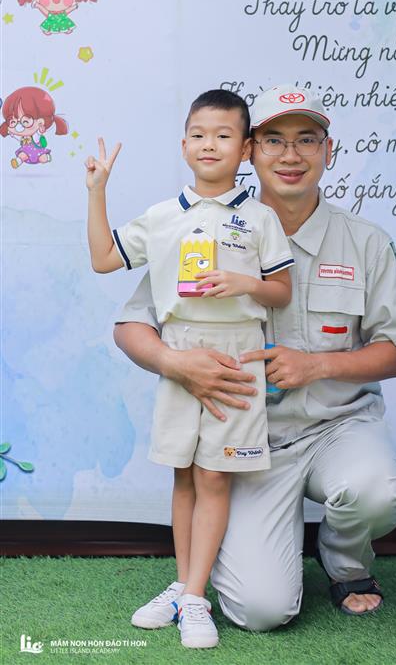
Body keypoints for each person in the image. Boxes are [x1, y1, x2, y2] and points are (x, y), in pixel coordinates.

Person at [114, 84, 396, 632]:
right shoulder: (204, 226)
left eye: (307, 140)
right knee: (261, 610)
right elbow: (132, 326)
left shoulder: (366, 242)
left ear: (329, 151)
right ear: (250, 150)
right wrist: (175, 364)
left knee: (377, 492)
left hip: (337, 427)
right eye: (275, 140)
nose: (291, 155)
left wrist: (317, 365)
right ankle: (226, 567)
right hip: (249, 442)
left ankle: (345, 562)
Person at [85, 89, 293, 648]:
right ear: (183, 145)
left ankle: (196, 596)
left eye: (224, 136)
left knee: (214, 476)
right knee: (183, 473)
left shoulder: (260, 218)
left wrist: (245, 282)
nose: (209, 145)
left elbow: (281, 290)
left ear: (245, 149)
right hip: (178, 355)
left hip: (236, 359)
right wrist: (97, 190)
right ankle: (184, 586)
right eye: (199, 135)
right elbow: (103, 259)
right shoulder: (161, 217)